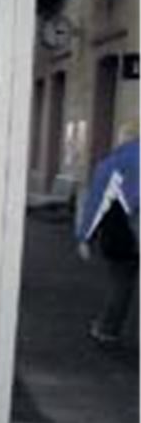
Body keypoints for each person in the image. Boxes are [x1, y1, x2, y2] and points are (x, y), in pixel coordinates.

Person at [76, 136, 139, 345]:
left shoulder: (117, 161)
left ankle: (107, 330)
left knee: (121, 282)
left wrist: (85, 237)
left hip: (124, 233)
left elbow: (98, 201)